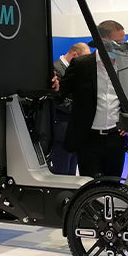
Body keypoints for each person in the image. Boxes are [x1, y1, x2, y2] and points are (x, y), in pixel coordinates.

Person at [56, 20, 128, 178]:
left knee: (113, 185)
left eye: (123, 42)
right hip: (88, 140)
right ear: (103, 42)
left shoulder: (126, 66)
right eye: (118, 42)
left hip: (116, 139)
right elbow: (60, 95)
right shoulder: (81, 64)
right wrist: (54, 89)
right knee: (90, 186)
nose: (122, 47)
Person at [50, 42, 90, 175]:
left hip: (75, 130)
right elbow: (57, 100)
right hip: (62, 130)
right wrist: (80, 108)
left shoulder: (78, 71)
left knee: (72, 174)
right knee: (61, 173)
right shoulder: (55, 69)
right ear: (75, 55)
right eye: (84, 59)